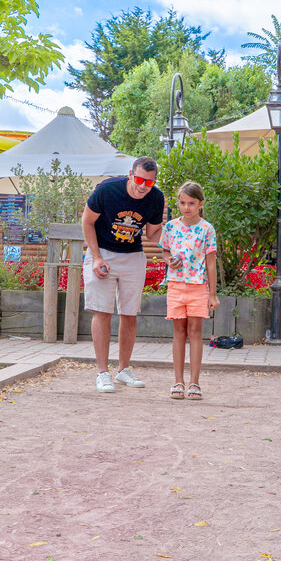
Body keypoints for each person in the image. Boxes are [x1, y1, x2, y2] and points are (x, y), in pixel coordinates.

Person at [81, 156, 165, 393]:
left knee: (130, 313)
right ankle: (102, 372)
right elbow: (87, 223)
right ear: (130, 174)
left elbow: (153, 233)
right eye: (139, 179)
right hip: (103, 252)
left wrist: (171, 247)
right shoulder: (107, 190)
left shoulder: (156, 198)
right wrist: (96, 257)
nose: (142, 186)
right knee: (102, 312)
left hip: (132, 255)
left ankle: (123, 370)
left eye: (148, 182)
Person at [158, 181, 219, 400]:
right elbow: (165, 251)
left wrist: (212, 294)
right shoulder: (171, 227)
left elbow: (211, 262)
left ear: (200, 203)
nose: (186, 207)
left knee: (195, 332)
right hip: (175, 285)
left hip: (198, 286)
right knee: (178, 332)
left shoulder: (207, 229)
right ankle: (177, 381)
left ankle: (194, 382)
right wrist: (169, 260)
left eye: (191, 203)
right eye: (182, 202)